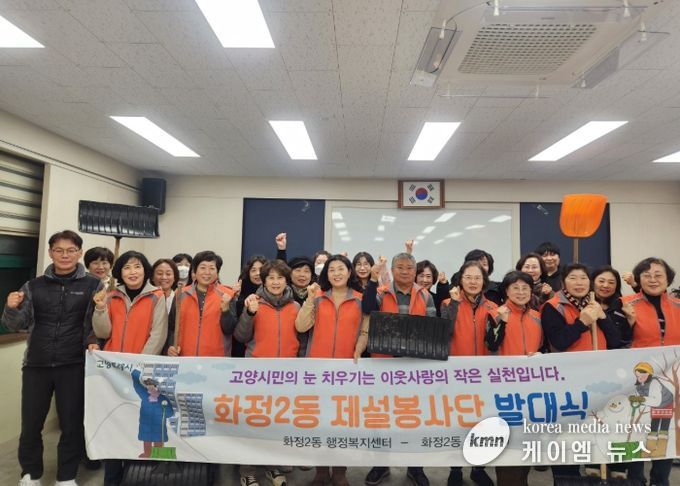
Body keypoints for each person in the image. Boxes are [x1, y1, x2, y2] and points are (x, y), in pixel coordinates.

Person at [2, 230, 102, 486]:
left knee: (71, 424)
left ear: (79, 253)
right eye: (59, 250)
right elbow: (16, 324)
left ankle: (66, 477)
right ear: (50, 252)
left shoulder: (93, 285)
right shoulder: (33, 286)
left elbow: (96, 325)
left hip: (74, 364)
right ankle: (30, 474)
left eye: (70, 250)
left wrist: (94, 341)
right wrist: (11, 308)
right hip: (36, 364)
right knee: (31, 424)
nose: (65, 255)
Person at [91, 250, 168, 486]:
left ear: (145, 270)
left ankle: (137, 476)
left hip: (141, 375)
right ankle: (112, 478)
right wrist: (100, 308)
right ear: (120, 272)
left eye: (137, 267)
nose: (132, 272)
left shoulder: (157, 296)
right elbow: (103, 332)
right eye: (127, 267)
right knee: (114, 424)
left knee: (138, 426)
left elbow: (158, 335)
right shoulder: (110, 296)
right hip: (112, 374)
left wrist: (137, 368)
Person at [357, 252, 434, 486]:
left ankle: (416, 467)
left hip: (415, 367)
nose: (405, 271)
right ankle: (381, 465)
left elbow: (431, 329)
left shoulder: (426, 295)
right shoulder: (381, 293)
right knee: (382, 418)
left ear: (415, 271)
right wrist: (373, 280)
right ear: (392, 270)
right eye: (399, 267)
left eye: (409, 268)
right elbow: (367, 308)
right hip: (384, 365)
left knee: (415, 418)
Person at [541, 263, 621, 481]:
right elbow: (559, 341)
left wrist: (602, 318)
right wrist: (582, 322)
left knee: (594, 434)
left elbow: (616, 342)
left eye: (584, 278)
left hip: (598, 383)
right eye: (573, 278)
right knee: (568, 439)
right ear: (563, 282)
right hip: (567, 385)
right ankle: (567, 480)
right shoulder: (552, 307)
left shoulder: (595, 305)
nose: (579, 283)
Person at [296, 255, 362, 486]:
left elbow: (366, 330)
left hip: (348, 371)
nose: (336, 273)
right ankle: (322, 470)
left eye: (340, 269)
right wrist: (309, 299)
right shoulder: (318, 297)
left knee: (343, 423)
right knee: (321, 422)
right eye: (331, 269)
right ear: (326, 274)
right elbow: (301, 326)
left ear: (349, 272)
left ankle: (340, 471)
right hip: (319, 370)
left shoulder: (361, 299)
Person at [234, 260, 300, 486]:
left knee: (277, 424)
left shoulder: (295, 307)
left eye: (280, 278)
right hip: (257, 374)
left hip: (286, 376)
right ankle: (247, 471)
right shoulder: (254, 303)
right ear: (263, 281)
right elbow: (241, 336)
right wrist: (249, 313)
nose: (275, 282)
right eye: (270, 278)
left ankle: (272, 467)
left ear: (286, 281)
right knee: (253, 423)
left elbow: (301, 340)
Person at [623, 258, 679, 486]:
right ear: (638, 280)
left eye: (658, 275)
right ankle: (635, 479)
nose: (653, 279)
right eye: (646, 275)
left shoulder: (678, 305)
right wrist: (627, 323)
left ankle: (660, 479)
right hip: (636, 380)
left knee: (667, 431)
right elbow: (616, 341)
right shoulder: (626, 304)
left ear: (668, 279)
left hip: (672, 381)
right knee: (635, 429)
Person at [440, 260, 497, 486]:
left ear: (484, 281)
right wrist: (454, 303)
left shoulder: (493, 307)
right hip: (456, 376)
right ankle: (455, 469)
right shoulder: (447, 303)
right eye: (468, 277)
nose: (473, 282)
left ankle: (478, 468)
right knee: (457, 423)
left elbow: (496, 341)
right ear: (460, 280)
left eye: (477, 278)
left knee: (481, 424)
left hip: (484, 376)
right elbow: (444, 332)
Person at [485, 271, 542, 486]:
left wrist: (541, 354)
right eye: (515, 288)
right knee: (507, 446)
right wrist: (502, 322)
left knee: (525, 444)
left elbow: (543, 347)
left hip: (532, 391)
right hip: (504, 391)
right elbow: (491, 344)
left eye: (525, 288)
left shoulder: (537, 316)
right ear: (506, 291)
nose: (520, 292)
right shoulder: (496, 313)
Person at [167, 251, 237, 358]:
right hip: (184, 358)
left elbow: (230, 330)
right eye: (203, 268)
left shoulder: (227, 295)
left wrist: (225, 310)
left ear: (217, 272)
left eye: (212, 268)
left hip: (216, 360)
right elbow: (171, 327)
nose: (207, 272)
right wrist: (171, 346)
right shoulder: (181, 294)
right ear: (195, 271)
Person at [233, 255, 268, 357]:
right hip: (242, 350)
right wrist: (234, 298)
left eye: (261, 270)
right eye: (253, 270)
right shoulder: (240, 293)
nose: (258, 273)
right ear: (248, 273)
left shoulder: (273, 294)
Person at [591, 266, 633, 348]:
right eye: (601, 281)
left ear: (617, 286)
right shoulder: (585, 304)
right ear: (592, 282)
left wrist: (630, 322)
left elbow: (625, 339)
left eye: (611, 282)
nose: (606, 285)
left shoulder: (623, 306)